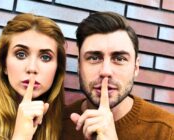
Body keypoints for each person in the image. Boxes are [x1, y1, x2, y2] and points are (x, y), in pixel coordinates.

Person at [61, 12, 174, 140]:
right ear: (79, 66)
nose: (106, 71)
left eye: (119, 59)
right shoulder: (56, 125)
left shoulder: (167, 131)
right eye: (94, 58)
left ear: (136, 67)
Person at [0, 13, 66, 140]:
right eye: (21, 54)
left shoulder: (62, 121)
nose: (32, 68)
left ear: (57, 70)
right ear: (3, 64)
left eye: (45, 57)